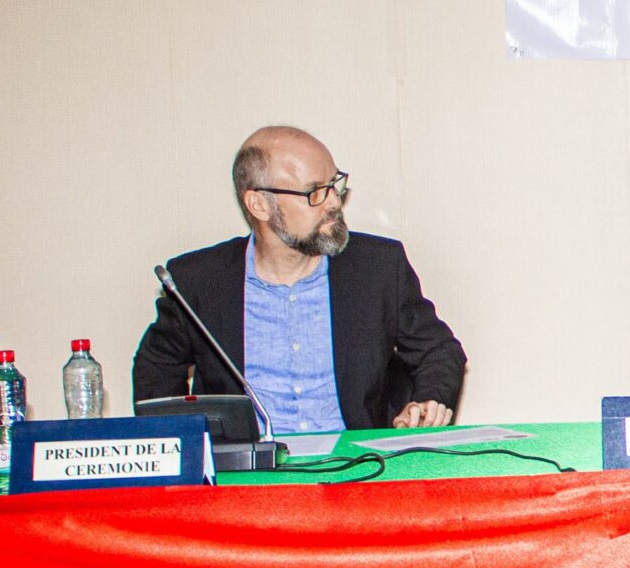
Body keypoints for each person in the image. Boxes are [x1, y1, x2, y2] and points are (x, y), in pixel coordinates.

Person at [133, 126, 465, 434]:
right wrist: (184, 443)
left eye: (334, 185)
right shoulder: (198, 281)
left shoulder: (377, 268)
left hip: (357, 462)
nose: (334, 202)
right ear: (259, 204)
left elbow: (439, 351)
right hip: (248, 469)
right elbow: (156, 369)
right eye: (315, 192)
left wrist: (427, 401)